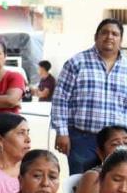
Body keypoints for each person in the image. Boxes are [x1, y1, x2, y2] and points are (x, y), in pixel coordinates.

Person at [52, 19, 127, 174]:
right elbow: (60, 100)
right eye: (104, 32)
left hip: (116, 142)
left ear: (121, 39)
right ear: (96, 37)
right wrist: (62, 132)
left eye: (115, 34)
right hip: (81, 139)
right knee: (80, 184)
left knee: (116, 182)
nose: (109, 37)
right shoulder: (76, 63)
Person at [73, 125, 127, 193]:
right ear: (101, 153)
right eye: (115, 144)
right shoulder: (93, 177)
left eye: (126, 143)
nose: (123, 147)